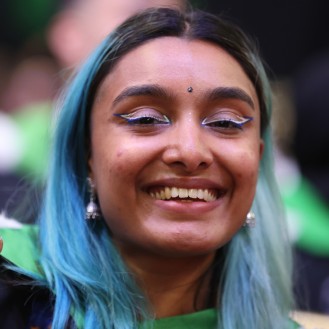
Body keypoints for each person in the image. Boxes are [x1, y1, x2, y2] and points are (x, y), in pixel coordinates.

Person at [0, 7, 300, 329]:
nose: (190, 151)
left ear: (257, 157)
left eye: (225, 122)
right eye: (146, 119)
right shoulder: (12, 284)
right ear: (86, 151)